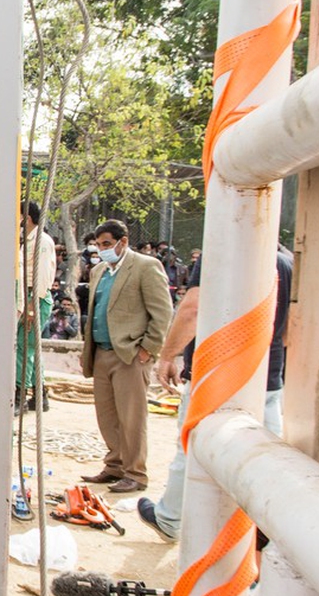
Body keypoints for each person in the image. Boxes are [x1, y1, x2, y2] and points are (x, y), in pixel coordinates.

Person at [136, 245, 293, 540]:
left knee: (193, 447)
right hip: (268, 377)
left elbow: (193, 310)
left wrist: (168, 355)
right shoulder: (287, 263)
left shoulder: (224, 250)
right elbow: (288, 329)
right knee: (267, 458)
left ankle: (170, 517)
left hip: (216, 377)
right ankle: (263, 531)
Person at [79, 219, 173, 494]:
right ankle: (115, 465)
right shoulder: (99, 271)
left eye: (107, 244)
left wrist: (148, 348)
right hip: (101, 352)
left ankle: (136, 473)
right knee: (107, 415)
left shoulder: (145, 267)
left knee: (132, 417)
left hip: (129, 354)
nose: (102, 249)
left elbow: (162, 312)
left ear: (123, 241)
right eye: (98, 245)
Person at [18, 201, 57, 411]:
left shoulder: (41, 241)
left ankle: (21, 396)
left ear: (27, 218)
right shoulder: (30, 240)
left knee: (25, 348)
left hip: (35, 295)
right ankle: (39, 395)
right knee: (31, 348)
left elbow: (40, 275)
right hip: (30, 295)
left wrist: (32, 305)